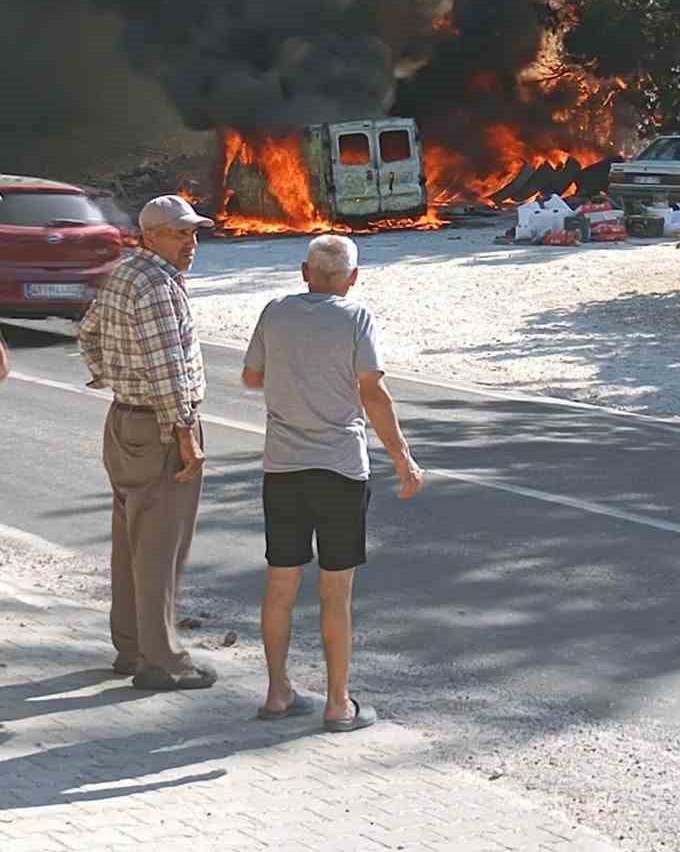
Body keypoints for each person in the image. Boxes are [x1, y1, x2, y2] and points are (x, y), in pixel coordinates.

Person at [242, 232, 424, 730]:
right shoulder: (356, 317)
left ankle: (278, 692)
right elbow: (373, 391)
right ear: (353, 278)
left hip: (282, 466)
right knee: (335, 591)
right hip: (341, 467)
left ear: (305, 272)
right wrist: (402, 457)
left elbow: (251, 377)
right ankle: (338, 703)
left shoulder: (274, 311)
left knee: (281, 579)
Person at [79, 194, 216, 691]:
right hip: (161, 427)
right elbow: (167, 371)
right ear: (150, 235)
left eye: (194, 233)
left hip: (124, 420)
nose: (191, 243)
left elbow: (88, 334)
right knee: (161, 546)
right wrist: (184, 434)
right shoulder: (158, 285)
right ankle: (162, 661)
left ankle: (131, 648)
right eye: (181, 234)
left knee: (130, 542)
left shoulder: (123, 273)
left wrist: (112, 377)